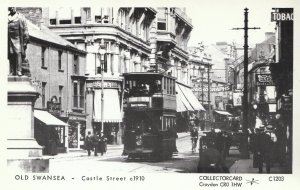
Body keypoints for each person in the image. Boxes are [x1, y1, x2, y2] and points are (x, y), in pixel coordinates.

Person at [8, 7, 29, 76]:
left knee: (18, 53)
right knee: (11, 54)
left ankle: (19, 70)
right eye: (10, 7)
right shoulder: (6, 17)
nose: (11, 8)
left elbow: (25, 29)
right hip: (9, 37)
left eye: (13, 7)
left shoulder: (20, 17)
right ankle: (12, 71)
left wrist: (26, 39)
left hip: (18, 38)